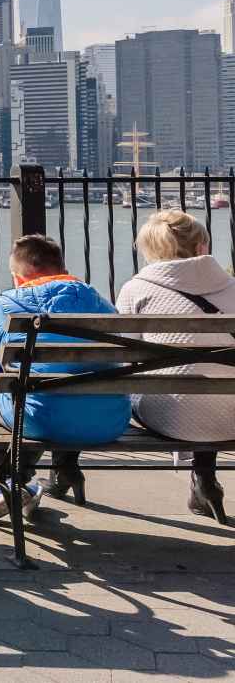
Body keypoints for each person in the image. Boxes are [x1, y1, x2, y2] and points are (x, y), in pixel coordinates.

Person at [0, 234, 128, 521]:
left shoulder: (8, 303)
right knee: (67, 387)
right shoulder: (101, 303)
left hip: (39, 420)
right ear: (62, 267)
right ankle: (65, 468)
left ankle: (5, 477)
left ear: (20, 277)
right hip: (109, 421)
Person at [114, 210, 235, 522]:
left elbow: (122, 356)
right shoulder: (233, 287)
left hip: (165, 415)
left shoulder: (135, 290)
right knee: (212, 389)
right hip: (231, 416)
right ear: (202, 247)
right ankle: (205, 478)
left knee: (177, 391)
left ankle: (64, 470)